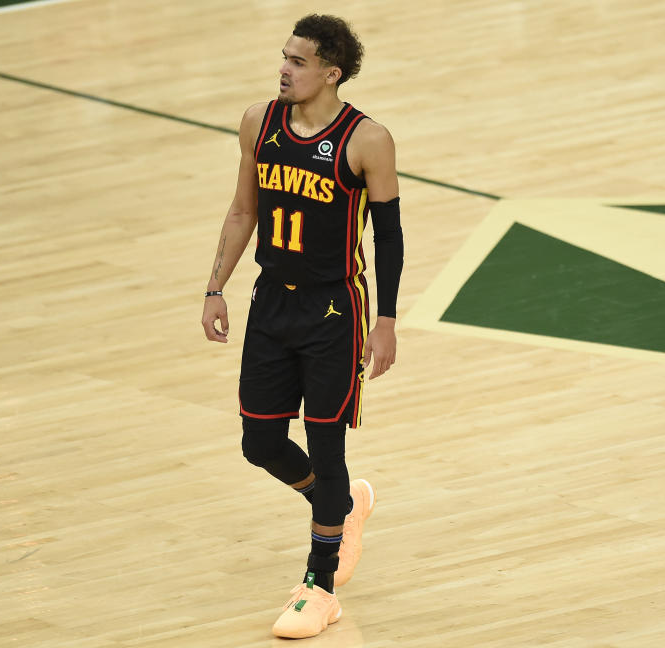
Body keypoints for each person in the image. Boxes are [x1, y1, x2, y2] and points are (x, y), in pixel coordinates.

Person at [200, 14, 403, 640]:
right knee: (259, 442)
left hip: (334, 309)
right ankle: (338, 508)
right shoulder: (258, 123)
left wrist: (388, 321)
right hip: (270, 302)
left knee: (325, 442)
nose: (284, 68)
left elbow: (389, 239)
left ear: (330, 72)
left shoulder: (367, 140)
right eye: (283, 57)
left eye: (298, 61)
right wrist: (215, 288)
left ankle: (318, 587)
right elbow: (243, 209)